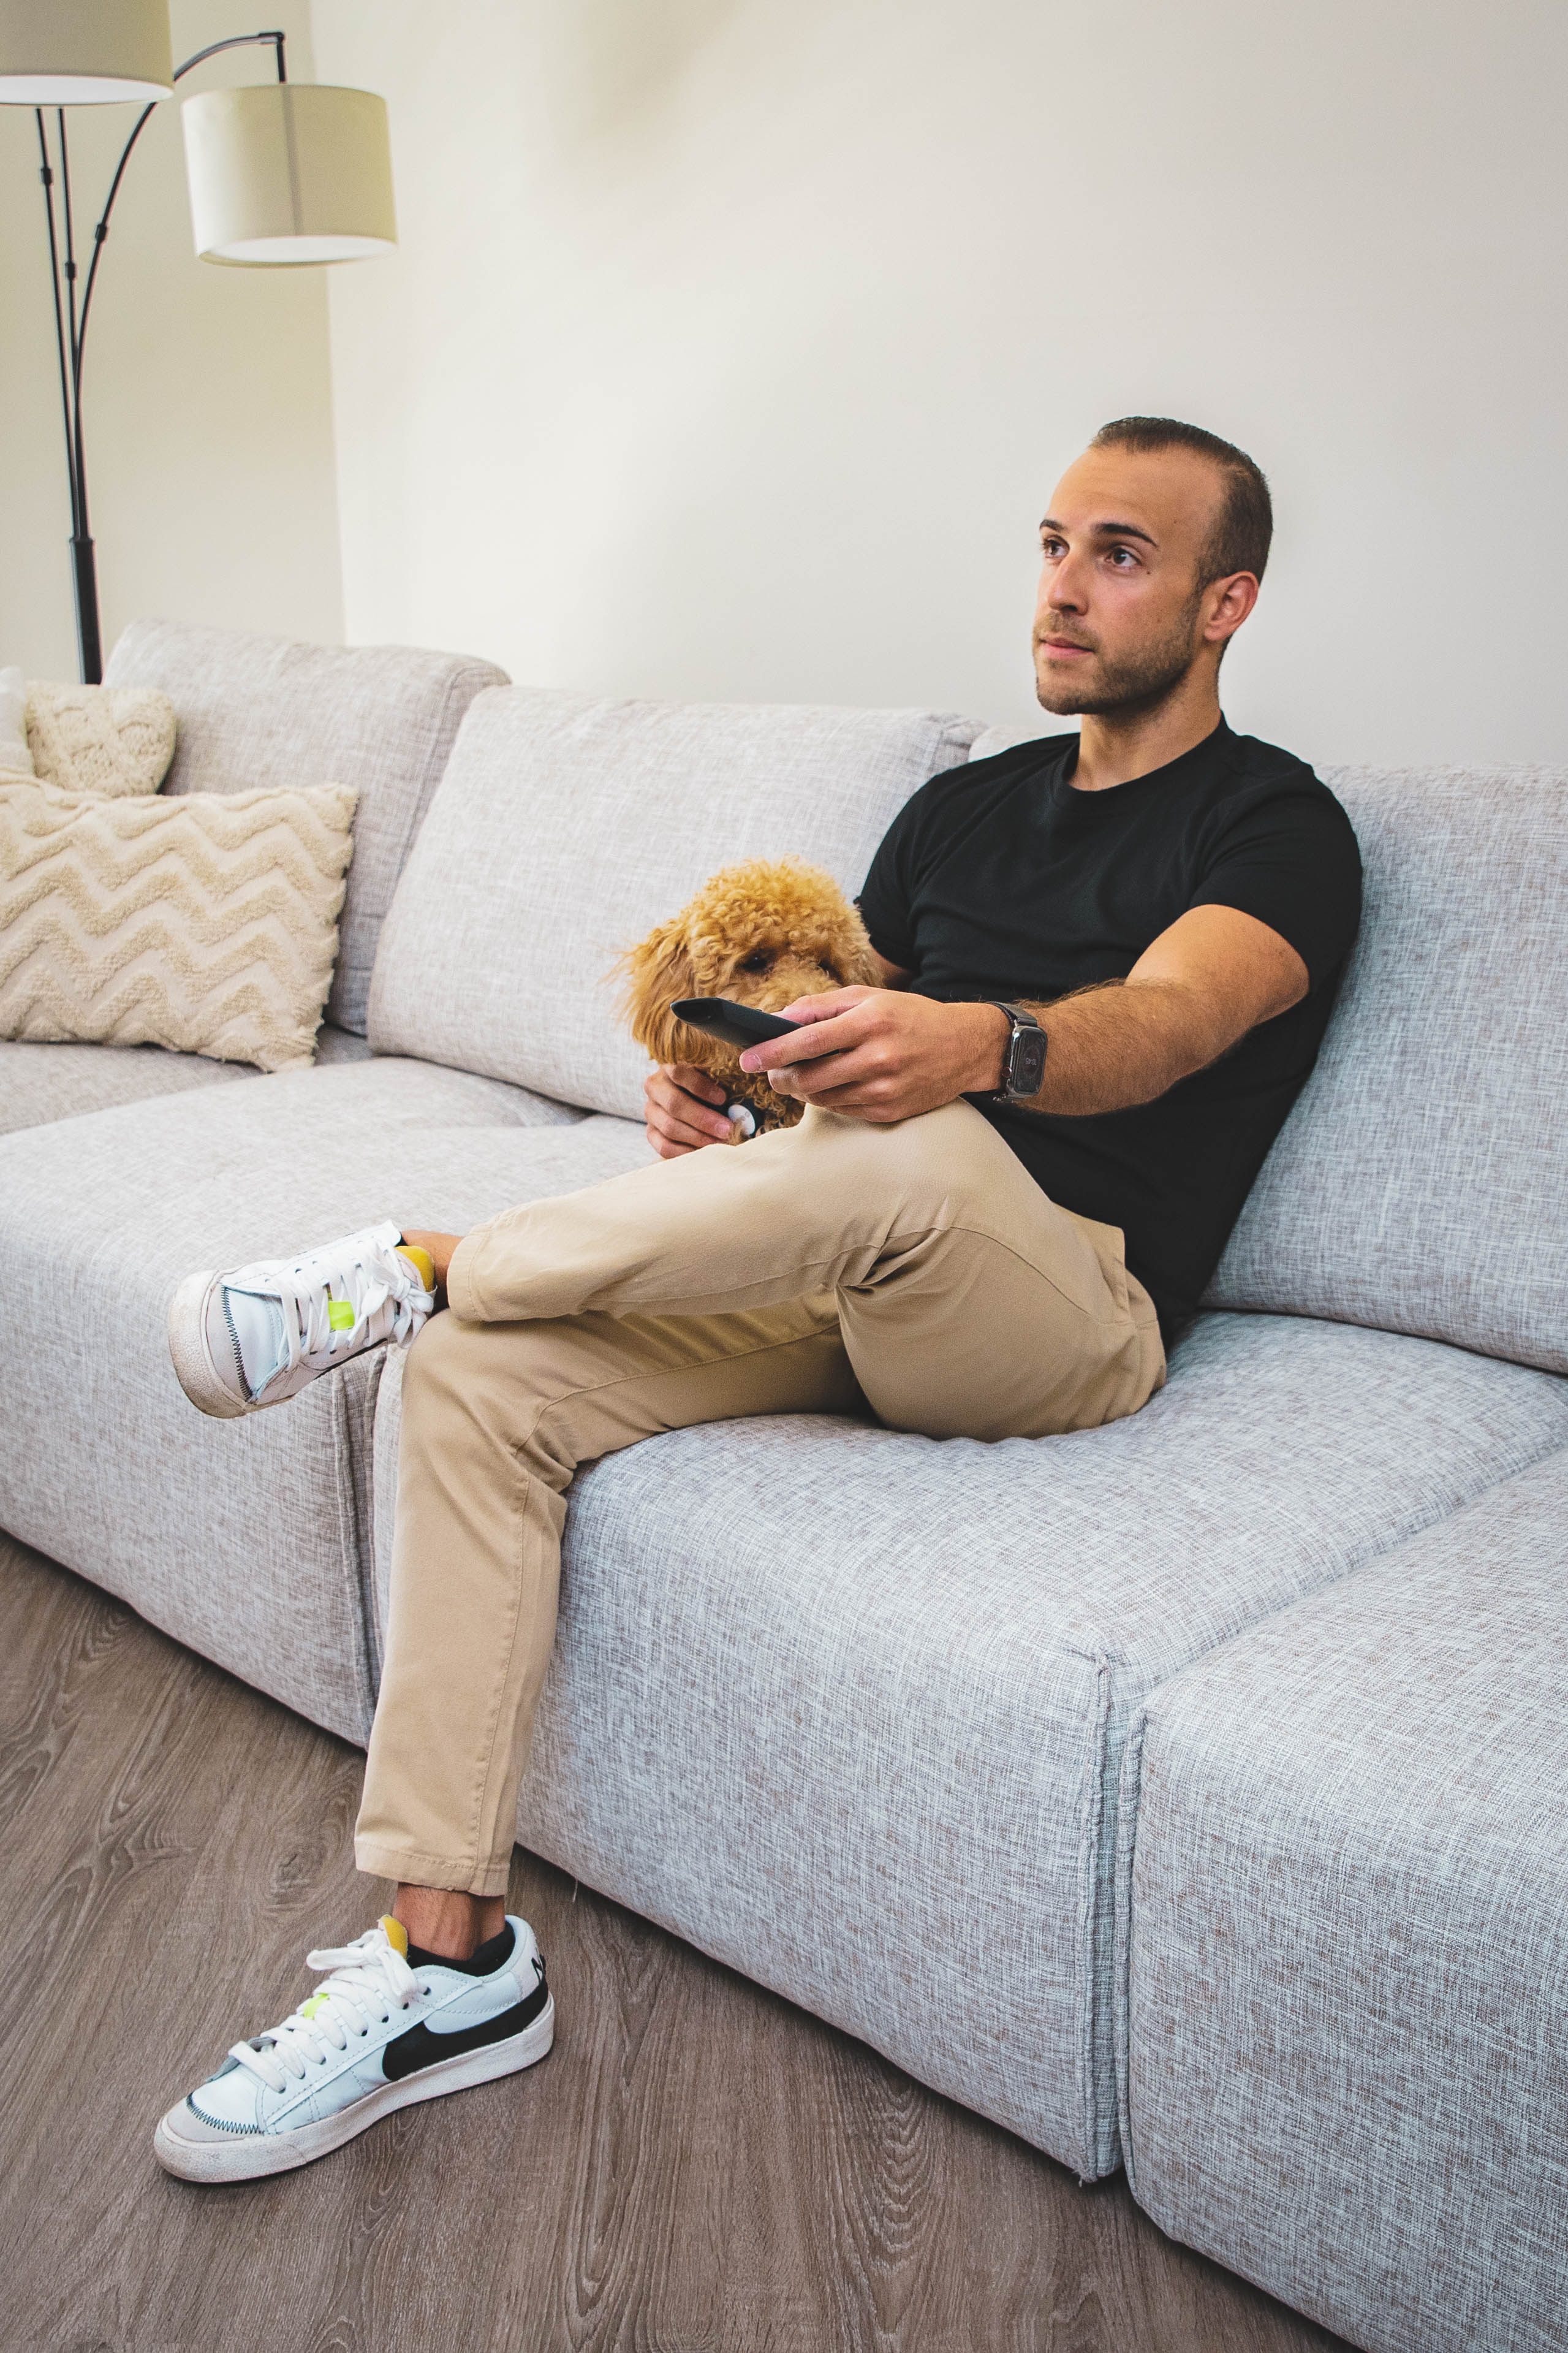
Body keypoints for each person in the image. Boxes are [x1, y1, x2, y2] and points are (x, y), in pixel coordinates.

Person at [153, 416, 1362, 2183]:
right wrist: (727, 1105)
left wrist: (980, 1045)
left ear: (1225, 602)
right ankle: (449, 1963)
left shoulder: (1279, 822)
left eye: (1120, 555)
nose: (1063, 587)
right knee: (479, 1379)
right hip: (856, 1261)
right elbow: (828, 1056)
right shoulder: (960, 809)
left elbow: (1171, 1021)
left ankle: (422, 1258)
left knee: (912, 1142)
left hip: (1067, 1312)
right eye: (1052, 544)